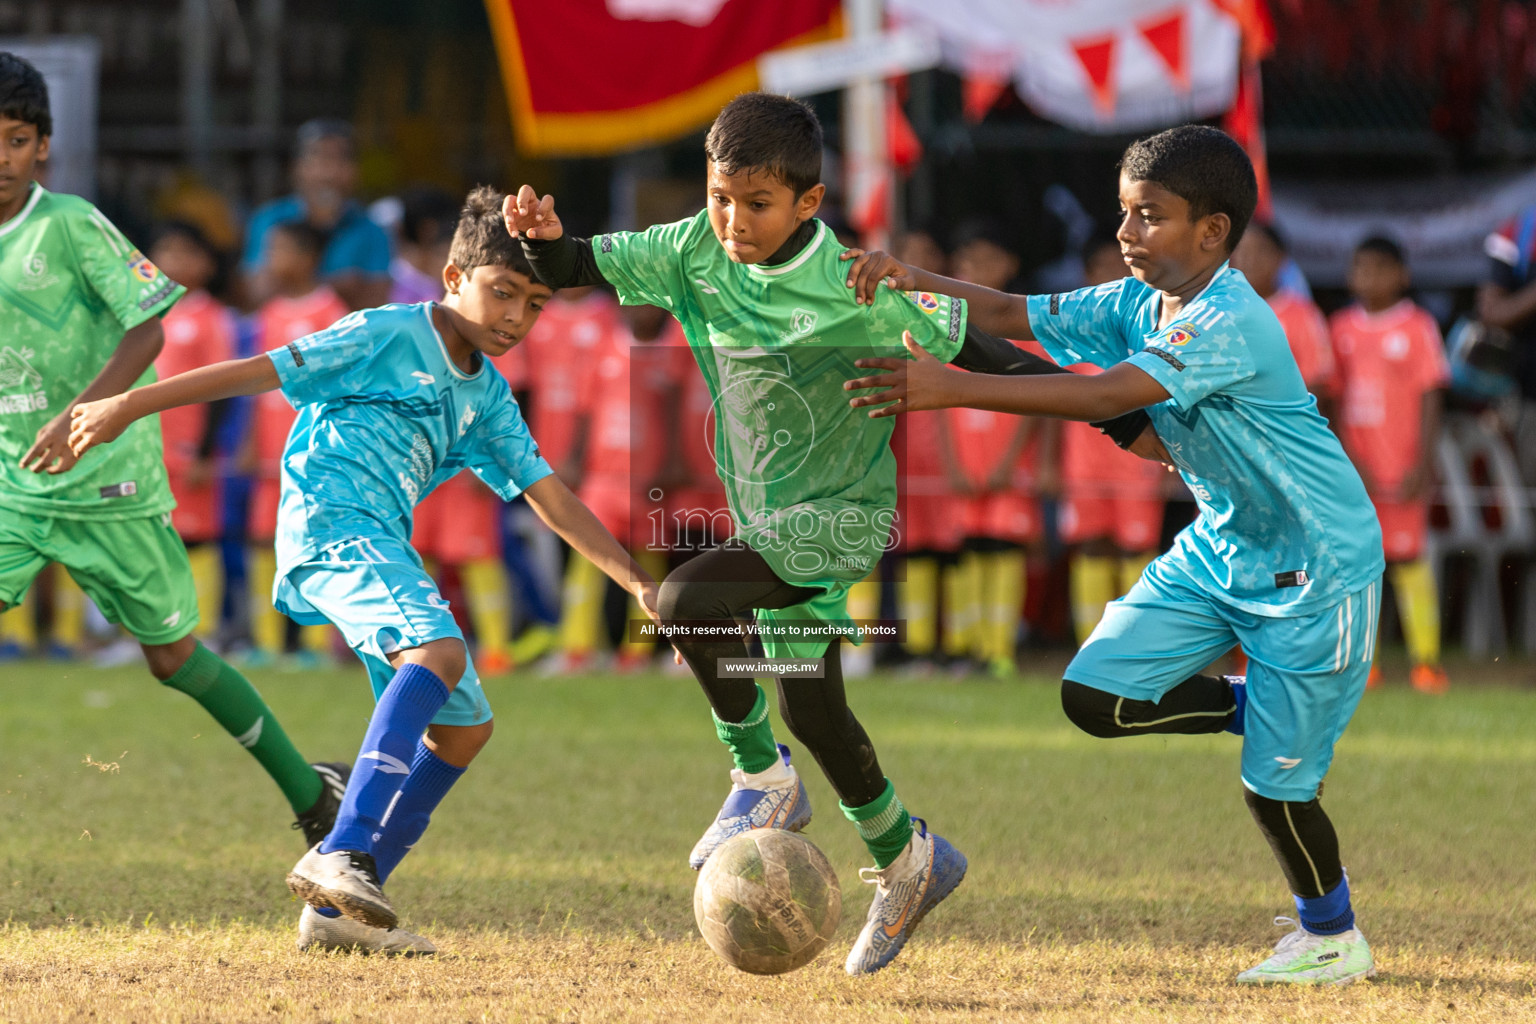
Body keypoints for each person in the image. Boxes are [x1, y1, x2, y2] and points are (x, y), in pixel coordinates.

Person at [506, 91, 1151, 975]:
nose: (732, 220)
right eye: (719, 195)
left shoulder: (857, 284)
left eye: (757, 204)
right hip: (769, 518)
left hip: (843, 517)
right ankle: (908, 855)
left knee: (686, 597)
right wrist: (542, 240)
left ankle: (758, 779)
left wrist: (1116, 421)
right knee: (814, 706)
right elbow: (576, 261)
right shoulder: (691, 247)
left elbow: (983, 350)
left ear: (809, 203)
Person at [843, 124, 1385, 985]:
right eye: (1125, 214)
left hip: (1318, 573)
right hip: (1220, 548)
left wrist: (954, 390)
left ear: (1212, 232)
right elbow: (1007, 312)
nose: (1128, 234)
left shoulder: (1231, 318)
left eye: (1150, 217)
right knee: (1094, 696)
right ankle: (1257, 707)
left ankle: (1334, 936)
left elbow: (1105, 394)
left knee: (1275, 792)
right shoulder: (1141, 300)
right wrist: (916, 278)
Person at [69, 184, 663, 956]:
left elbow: (551, 497)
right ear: (454, 277)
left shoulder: (486, 398)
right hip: (329, 525)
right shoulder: (384, 332)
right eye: (503, 292)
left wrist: (638, 583)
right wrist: (124, 405)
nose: (517, 317)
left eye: (536, 303)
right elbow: (258, 370)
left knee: (466, 731)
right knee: (440, 654)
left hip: (381, 541)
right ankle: (341, 849)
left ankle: (338, 909)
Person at [0, 50, 345, 850]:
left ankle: (310, 791)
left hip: (107, 482)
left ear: (42, 147)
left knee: (171, 658)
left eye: (17, 139)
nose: (3, 157)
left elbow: (147, 326)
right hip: (15, 483)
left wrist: (93, 413)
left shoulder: (71, 224)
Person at [1330, 236, 1449, 694]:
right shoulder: (1339, 327)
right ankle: (1367, 666)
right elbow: (1333, 401)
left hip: (1402, 472)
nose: (1369, 278)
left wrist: (1424, 460)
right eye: (1361, 268)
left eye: (1380, 269)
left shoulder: (1418, 326)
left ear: (1403, 275)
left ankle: (1426, 663)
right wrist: (1347, 458)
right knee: (1361, 566)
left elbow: (1431, 394)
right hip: (1356, 473)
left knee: (1407, 559)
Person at [242, 220, 350, 666]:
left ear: (307, 258)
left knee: (315, 544)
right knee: (261, 540)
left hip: (313, 454)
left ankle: (318, 646)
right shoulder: (268, 314)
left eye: (279, 249)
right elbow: (254, 385)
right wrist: (249, 439)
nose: (270, 261)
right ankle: (266, 644)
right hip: (269, 452)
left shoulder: (332, 312)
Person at [1053, 230, 1167, 643]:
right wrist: (1050, 460)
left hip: (1140, 462)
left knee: (1135, 551)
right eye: (1099, 267)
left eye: (1116, 267)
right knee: (1090, 547)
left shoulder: (1152, 324)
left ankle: (1136, 641)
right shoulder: (1070, 327)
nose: (1108, 275)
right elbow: (1050, 396)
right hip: (1084, 464)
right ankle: (1093, 643)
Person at [150, 220, 240, 638]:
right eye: (165, 250)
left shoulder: (212, 317)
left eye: (183, 252)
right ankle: (156, 631)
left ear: (206, 264)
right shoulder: (148, 314)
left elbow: (223, 389)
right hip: (149, 449)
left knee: (195, 541)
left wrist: (206, 452)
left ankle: (200, 632)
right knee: (151, 540)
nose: (171, 260)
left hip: (189, 452)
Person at [241, 119, 392, 312]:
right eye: (318, 158)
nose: (328, 173)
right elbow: (256, 294)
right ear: (297, 168)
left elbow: (377, 303)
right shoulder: (269, 219)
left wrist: (294, 278)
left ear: (355, 171)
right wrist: (340, 286)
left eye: (341, 160)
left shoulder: (372, 230)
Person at [1230, 221, 1337, 420]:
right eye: (1242, 251)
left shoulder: (1303, 315)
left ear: (1280, 258)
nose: (1250, 259)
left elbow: (1315, 384)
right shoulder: (1219, 311)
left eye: (1260, 251)